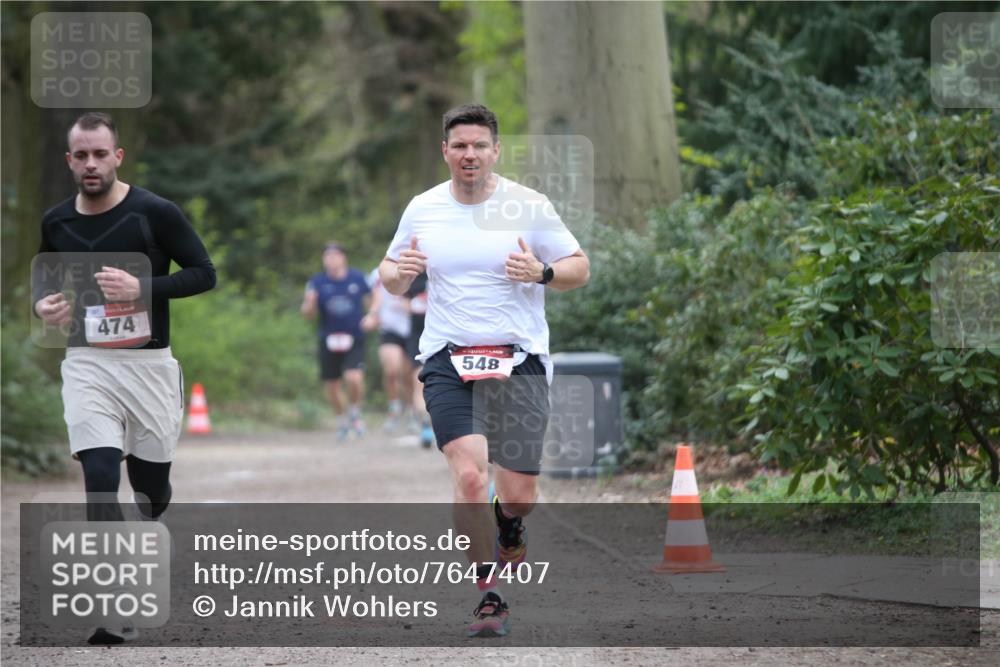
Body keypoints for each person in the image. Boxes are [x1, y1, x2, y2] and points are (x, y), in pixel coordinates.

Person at [379, 103, 589, 637]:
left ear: (495, 151)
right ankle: (489, 593)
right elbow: (389, 272)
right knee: (470, 475)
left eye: (478, 145)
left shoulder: (529, 205)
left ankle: (509, 522)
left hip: (518, 358)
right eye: (459, 146)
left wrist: (542, 272)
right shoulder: (423, 208)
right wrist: (399, 274)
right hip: (449, 357)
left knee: (518, 493)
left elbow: (578, 267)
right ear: (444, 152)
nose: (468, 154)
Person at [32, 112, 217, 644]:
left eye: (99, 154)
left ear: (118, 156)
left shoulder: (155, 212)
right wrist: (46, 306)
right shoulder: (56, 221)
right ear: (70, 161)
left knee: (150, 489)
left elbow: (204, 273)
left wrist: (143, 287)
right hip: (87, 363)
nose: (91, 164)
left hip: (149, 367)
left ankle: (154, 514)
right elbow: (46, 282)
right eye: (81, 156)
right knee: (99, 474)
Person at [302, 243, 372, 439]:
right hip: (328, 338)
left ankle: (355, 411)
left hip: (354, 336)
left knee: (354, 378)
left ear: (343, 258)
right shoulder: (317, 283)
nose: (331, 260)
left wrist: (372, 315)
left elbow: (372, 299)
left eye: (335, 255)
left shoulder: (357, 278)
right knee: (332, 385)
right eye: (327, 256)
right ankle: (341, 419)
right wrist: (309, 303)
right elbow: (308, 314)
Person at [365, 268, 412, 432]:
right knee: (391, 370)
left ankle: (412, 411)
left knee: (409, 375)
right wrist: (373, 314)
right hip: (389, 327)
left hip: (414, 328)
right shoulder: (378, 273)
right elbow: (371, 296)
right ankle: (394, 409)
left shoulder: (421, 268)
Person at [404, 272, 434, 448]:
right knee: (419, 379)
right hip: (419, 336)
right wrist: (417, 304)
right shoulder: (413, 275)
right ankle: (425, 423)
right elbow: (402, 300)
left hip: (446, 337)